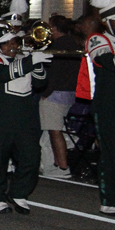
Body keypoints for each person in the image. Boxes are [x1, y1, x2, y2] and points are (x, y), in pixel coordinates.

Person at [0, 11, 50, 214]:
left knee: (31, 157)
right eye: (7, 43)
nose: (13, 46)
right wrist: (29, 62)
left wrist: (37, 62)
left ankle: (18, 192)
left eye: (14, 42)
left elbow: (41, 83)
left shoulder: (24, 58)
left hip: (24, 120)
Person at [85, 0, 115, 216]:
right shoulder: (97, 39)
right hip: (109, 105)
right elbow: (108, 62)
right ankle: (108, 199)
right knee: (109, 153)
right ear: (107, 22)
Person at [39, 14, 81, 179]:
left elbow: (54, 73)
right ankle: (54, 164)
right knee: (56, 130)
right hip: (70, 93)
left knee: (55, 131)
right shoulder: (73, 43)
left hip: (55, 94)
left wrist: (46, 93)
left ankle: (62, 166)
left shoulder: (57, 45)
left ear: (55, 29)